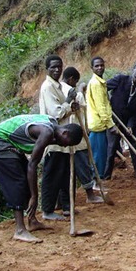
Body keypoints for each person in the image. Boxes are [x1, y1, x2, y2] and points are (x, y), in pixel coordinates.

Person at [0, 114, 83, 243]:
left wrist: (33, 194)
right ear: (65, 133)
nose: (64, 147)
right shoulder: (46, 132)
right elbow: (32, 165)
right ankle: (20, 230)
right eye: (67, 144)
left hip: (11, 145)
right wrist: (34, 197)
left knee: (26, 179)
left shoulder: (52, 125)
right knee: (17, 182)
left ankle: (32, 221)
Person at [38, 55, 77, 221]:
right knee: (52, 174)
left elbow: (64, 110)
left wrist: (71, 107)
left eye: (59, 66)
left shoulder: (59, 86)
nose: (57, 70)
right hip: (53, 138)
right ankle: (47, 210)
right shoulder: (47, 87)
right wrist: (68, 102)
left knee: (65, 173)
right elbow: (55, 113)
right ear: (47, 69)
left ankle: (67, 207)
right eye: (53, 67)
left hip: (63, 137)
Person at [61, 66, 103, 204]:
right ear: (71, 79)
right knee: (82, 164)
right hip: (74, 135)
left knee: (68, 168)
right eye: (75, 81)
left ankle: (63, 201)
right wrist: (80, 90)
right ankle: (89, 195)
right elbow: (79, 103)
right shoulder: (69, 91)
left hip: (65, 135)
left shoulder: (58, 88)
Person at [106, 62, 136, 180]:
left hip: (129, 121)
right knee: (112, 147)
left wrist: (130, 125)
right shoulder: (120, 79)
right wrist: (107, 100)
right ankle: (106, 175)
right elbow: (103, 87)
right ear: (132, 69)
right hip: (114, 120)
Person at [86, 56, 118, 186]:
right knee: (98, 157)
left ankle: (97, 183)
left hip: (99, 124)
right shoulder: (96, 84)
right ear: (92, 68)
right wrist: (111, 124)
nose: (100, 68)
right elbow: (101, 107)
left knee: (100, 155)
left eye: (101, 65)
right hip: (98, 125)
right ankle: (95, 184)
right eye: (96, 66)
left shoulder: (100, 82)